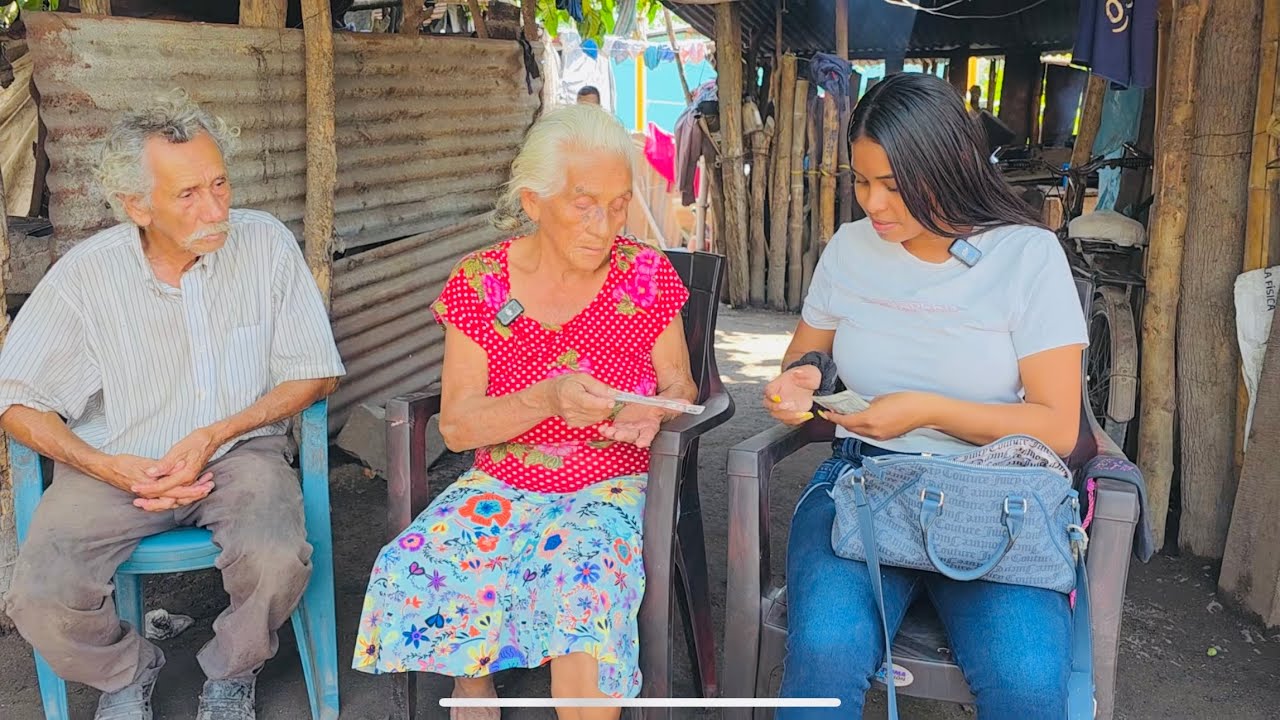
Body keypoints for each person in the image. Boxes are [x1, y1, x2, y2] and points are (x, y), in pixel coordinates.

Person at [0, 90, 346, 720]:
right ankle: (127, 671)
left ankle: (232, 668)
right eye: (187, 194)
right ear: (136, 205)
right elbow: (16, 399)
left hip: (238, 453)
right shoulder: (87, 276)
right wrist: (102, 465)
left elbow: (315, 372)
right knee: (40, 597)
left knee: (275, 559)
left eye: (220, 184)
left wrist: (215, 434)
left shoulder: (265, 245)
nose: (216, 209)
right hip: (117, 463)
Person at [353, 104, 697, 720]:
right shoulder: (480, 282)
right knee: (420, 557)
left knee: (581, 577)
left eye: (618, 204)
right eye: (583, 204)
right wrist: (547, 397)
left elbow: (679, 383)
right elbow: (458, 425)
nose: (604, 225)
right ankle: (472, 680)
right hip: (504, 481)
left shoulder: (644, 271)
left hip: (612, 480)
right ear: (534, 202)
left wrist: (654, 413)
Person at [765, 72, 1087, 719]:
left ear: (949, 165)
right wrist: (799, 380)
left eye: (893, 184)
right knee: (826, 649)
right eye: (862, 181)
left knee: (1027, 678)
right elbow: (807, 358)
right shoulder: (849, 250)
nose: (873, 204)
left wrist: (929, 412)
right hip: (863, 485)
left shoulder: (1027, 256)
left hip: (996, 498)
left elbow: (1058, 427)